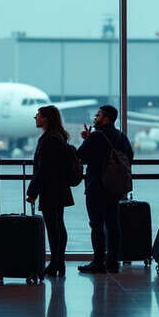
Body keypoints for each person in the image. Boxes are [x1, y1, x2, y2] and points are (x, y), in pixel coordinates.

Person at [76, 105, 134, 274]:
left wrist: (87, 139)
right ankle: (113, 261)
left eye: (98, 115)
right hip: (114, 187)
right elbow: (129, 157)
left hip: (96, 186)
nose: (95, 118)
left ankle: (98, 261)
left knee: (96, 225)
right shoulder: (121, 137)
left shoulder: (96, 136)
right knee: (113, 224)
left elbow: (81, 155)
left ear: (107, 118)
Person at [27, 105, 75, 279]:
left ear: (46, 118)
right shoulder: (58, 137)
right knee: (58, 226)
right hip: (59, 188)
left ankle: (55, 263)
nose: (35, 118)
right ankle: (58, 262)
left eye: (38, 116)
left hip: (51, 189)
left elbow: (43, 169)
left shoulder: (49, 139)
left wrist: (33, 191)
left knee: (54, 228)